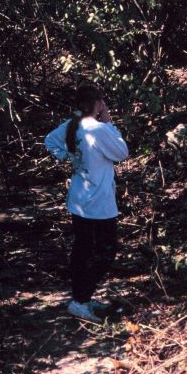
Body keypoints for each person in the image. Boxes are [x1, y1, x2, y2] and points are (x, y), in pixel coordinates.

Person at [45, 84, 129, 323]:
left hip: (79, 198)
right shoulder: (98, 130)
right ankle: (80, 301)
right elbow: (122, 152)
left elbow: (50, 140)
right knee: (105, 251)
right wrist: (110, 122)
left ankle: (82, 297)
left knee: (82, 249)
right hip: (98, 201)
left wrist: (67, 157)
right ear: (98, 103)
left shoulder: (73, 125)